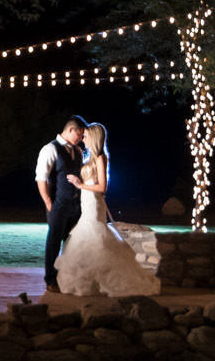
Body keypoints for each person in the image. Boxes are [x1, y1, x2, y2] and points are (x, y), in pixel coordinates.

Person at [54, 121, 161, 296]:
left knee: (94, 234)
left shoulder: (100, 158)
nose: (83, 140)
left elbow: (102, 187)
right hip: (87, 202)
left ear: (94, 138)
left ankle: (103, 279)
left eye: (86, 137)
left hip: (94, 204)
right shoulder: (90, 157)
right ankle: (91, 279)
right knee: (84, 237)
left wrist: (81, 185)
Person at [35, 116, 88, 293]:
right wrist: (49, 202)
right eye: (79, 135)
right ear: (70, 130)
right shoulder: (50, 149)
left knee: (72, 243)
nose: (81, 139)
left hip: (76, 205)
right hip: (58, 203)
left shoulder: (78, 151)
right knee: (54, 243)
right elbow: (41, 178)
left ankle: (68, 277)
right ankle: (50, 279)